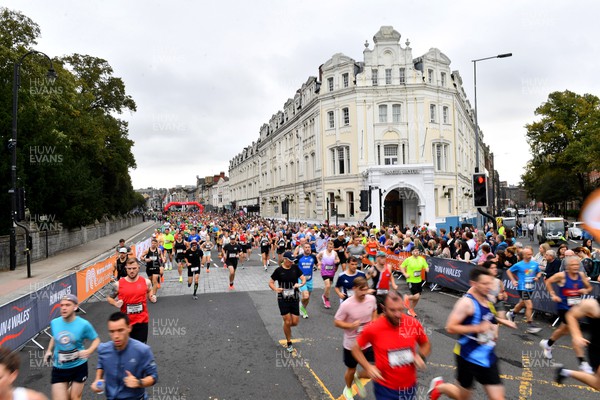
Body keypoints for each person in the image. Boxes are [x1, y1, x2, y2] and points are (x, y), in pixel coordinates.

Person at [428, 266, 517, 400]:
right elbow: (450, 327)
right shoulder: (466, 303)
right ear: (473, 284)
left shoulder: (487, 298)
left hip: (488, 356)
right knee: (462, 396)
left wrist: (503, 322)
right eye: (484, 284)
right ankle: (439, 386)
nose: (488, 286)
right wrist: (476, 329)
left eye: (490, 283)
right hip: (468, 356)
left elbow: (487, 317)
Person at [352, 290, 431, 400]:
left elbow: (425, 344)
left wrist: (420, 356)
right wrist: (368, 367)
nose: (398, 314)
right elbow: (355, 348)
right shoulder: (373, 328)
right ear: (384, 309)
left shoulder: (412, 323)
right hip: (385, 387)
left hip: (409, 386)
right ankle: (359, 375)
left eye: (400, 309)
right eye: (393, 310)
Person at [539, 256, 593, 370]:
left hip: (575, 308)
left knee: (564, 330)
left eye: (577, 265)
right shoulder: (562, 275)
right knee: (575, 332)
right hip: (564, 307)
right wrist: (553, 294)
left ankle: (548, 344)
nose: (575, 267)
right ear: (567, 266)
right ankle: (582, 362)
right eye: (573, 265)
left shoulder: (581, 276)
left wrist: (585, 290)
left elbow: (589, 288)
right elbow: (548, 282)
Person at [45, 294, 100, 400]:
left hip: (78, 366)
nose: (64, 308)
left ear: (75, 307)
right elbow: (54, 336)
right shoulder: (55, 323)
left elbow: (96, 340)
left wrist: (89, 350)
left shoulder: (84, 324)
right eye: (62, 305)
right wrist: (49, 351)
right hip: (60, 368)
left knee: (74, 397)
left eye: (67, 305)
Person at [91, 312, 158, 398]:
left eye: (120, 330)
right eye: (112, 331)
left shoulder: (143, 350)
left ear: (129, 328)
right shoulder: (103, 349)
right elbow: (101, 364)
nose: (116, 336)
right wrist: (97, 379)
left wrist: (138, 383)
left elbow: (154, 376)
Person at [334, 277, 377, 400]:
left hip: (368, 342)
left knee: (374, 370)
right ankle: (348, 388)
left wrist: (373, 322)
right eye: (361, 290)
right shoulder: (347, 305)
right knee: (351, 369)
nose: (364, 293)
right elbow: (337, 322)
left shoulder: (371, 299)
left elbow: (374, 311)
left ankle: (358, 376)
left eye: (366, 290)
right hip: (352, 344)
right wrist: (350, 325)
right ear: (354, 289)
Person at [107, 258, 156, 343]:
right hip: (125, 324)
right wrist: (115, 303)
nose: (131, 271)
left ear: (139, 267)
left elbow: (150, 290)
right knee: (127, 350)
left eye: (134, 268)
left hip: (142, 321)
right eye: (129, 269)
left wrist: (151, 296)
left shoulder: (146, 282)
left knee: (141, 349)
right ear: (126, 268)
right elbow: (109, 298)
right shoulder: (118, 284)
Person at [555, 296, 600, 390]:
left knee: (597, 384)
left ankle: (564, 372)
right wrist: (576, 335)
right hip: (598, 349)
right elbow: (571, 315)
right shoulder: (593, 305)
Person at [268, 251, 306, 353]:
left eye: (293, 261)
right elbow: (270, 282)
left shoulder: (295, 268)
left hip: (294, 297)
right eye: (290, 261)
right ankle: (289, 342)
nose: (292, 263)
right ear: (285, 259)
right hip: (282, 298)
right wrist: (276, 289)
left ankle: (286, 324)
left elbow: (303, 279)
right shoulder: (278, 270)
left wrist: (300, 284)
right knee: (288, 321)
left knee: (295, 322)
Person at [505, 247, 543, 333]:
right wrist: (513, 280)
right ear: (524, 255)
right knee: (529, 306)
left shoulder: (535, 264)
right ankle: (530, 326)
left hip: (531, 287)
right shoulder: (519, 265)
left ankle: (512, 314)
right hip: (522, 287)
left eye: (531, 254)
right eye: (528, 254)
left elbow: (539, 271)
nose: (530, 256)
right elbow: (508, 271)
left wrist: (537, 277)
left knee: (522, 303)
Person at [400, 247, 429, 317]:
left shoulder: (422, 259)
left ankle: (411, 310)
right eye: (415, 251)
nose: (416, 252)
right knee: (416, 296)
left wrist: (427, 269)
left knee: (418, 297)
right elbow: (401, 266)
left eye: (417, 251)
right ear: (412, 252)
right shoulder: (408, 259)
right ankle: (407, 297)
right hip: (411, 280)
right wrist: (405, 274)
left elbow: (426, 266)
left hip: (419, 280)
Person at [371, 251, 398, 315]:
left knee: (386, 312)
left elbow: (390, 275)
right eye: (382, 258)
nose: (384, 259)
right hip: (376, 294)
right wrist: (367, 289)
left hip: (386, 293)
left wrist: (393, 284)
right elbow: (364, 279)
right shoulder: (372, 269)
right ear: (377, 258)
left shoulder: (388, 267)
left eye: (384, 257)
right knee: (378, 313)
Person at [317, 240, 340, 309]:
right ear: (327, 247)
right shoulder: (323, 252)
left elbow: (338, 259)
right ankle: (326, 299)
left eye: (332, 247)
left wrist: (337, 261)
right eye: (329, 247)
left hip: (331, 271)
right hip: (324, 271)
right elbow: (317, 257)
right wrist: (319, 263)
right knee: (328, 285)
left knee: (329, 286)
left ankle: (325, 295)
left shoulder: (335, 253)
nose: (331, 248)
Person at [296, 243, 317, 319]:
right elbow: (293, 266)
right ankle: (301, 306)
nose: (308, 249)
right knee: (306, 296)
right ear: (303, 249)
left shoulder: (313, 257)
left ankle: (303, 309)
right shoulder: (299, 257)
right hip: (301, 280)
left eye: (309, 247)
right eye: (306, 247)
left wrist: (320, 266)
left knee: (307, 298)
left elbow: (318, 264)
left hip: (310, 280)